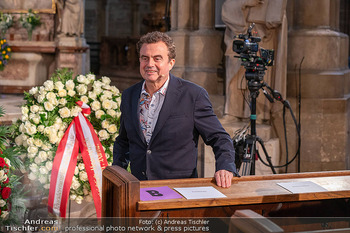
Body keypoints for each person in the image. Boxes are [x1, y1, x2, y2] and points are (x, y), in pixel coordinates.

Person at [113, 31, 238, 188]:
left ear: (171, 63)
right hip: (139, 188)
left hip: (179, 189)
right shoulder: (129, 95)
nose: (150, 64)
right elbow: (123, 141)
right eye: (145, 58)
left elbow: (219, 138)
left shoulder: (193, 95)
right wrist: (117, 172)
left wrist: (225, 167)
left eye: (157, 58)